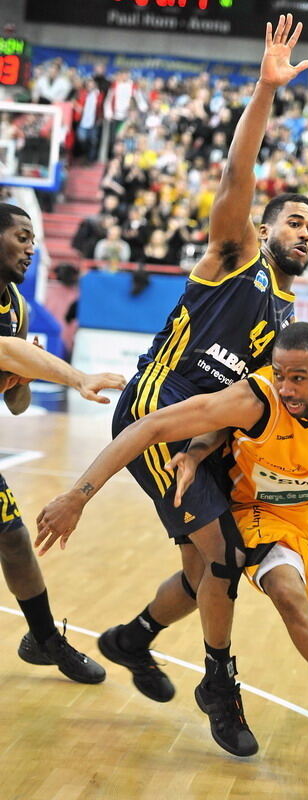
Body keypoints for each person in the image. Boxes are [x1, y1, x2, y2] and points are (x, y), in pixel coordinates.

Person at [36, 16, 308, 759]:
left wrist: (212, 443)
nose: (305, 231)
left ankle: (134, 637)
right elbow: (237, 172)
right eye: (295, 218)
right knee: (221, 553)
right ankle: (219, 680)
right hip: (154, 410)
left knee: (201, 572)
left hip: (200, 429)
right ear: (267, 222)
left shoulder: (288, 317)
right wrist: (263, 90)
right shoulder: (236, 250)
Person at [36, 321, 308, 770]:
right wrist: (78, 494)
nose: (286, 388)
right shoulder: (255, 398)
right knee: (286, 595)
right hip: (259, 510)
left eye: (298, 378)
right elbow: (152, 425)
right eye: (279, 374)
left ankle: (140, 638)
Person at [0, 201, 127, 683]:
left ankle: (44, 640)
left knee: (13, 539)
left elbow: (16, 404)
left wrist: (20, 378)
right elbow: (6, 350)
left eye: (35, 239)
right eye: (22, 237)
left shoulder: (19, 307)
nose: (32, 249)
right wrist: (76, 378)